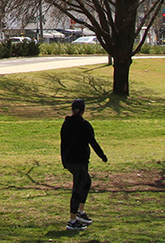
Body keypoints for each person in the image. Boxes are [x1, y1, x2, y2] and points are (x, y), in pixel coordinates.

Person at [61, 98, 107, 231]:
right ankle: (72, 220)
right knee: (77, 188)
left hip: (69, 160)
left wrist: (64, 159)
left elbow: (63, 142)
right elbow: (92, 142)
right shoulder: (84, 125)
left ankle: (80, 212)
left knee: (86, 182)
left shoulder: (66, 124)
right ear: (83, 110)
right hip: (79, 161)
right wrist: (102, 156)